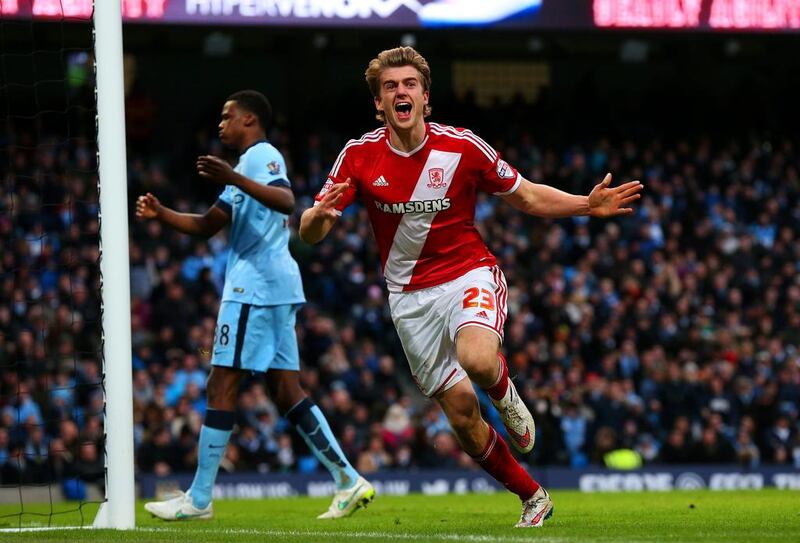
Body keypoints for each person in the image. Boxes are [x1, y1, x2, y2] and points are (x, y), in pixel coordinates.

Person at [299, 47, 642, 527]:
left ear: (425, 97)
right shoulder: (358, 155)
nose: (401, 92)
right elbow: (311, 233)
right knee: (461, 416)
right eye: (390, 87)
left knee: (479, 359)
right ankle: (532, 496)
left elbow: (525, 195)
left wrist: (586, 205)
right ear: (378, 103)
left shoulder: (462, 147)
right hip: (408, 299)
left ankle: (507, 398)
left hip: (467, 273)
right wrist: (316, 216)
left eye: (409, 84)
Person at [138, 90, 374, 521]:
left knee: (220, 382)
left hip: (255, 289)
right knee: (285, 390)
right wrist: (162, 213)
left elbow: (286, 201)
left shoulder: (262, 155)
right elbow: (206, 226)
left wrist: (233, 177)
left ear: (249, 119)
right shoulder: (244, 169)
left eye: (227, 117)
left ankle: (199, 499)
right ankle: (347, 480)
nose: (220, 125)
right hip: (274, 288)